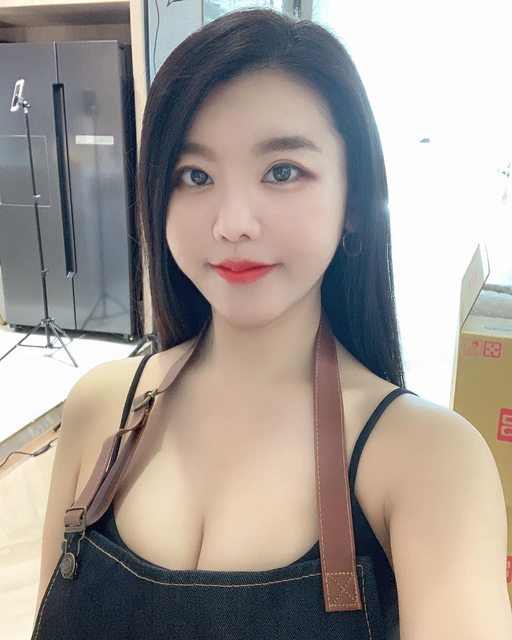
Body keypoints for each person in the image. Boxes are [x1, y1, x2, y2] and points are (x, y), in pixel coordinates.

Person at [32, 8, 511, 640]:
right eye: (195, 175)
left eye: (283, 171)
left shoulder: (429, 461)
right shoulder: (101, 408)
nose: (233, 223)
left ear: (354, 201)